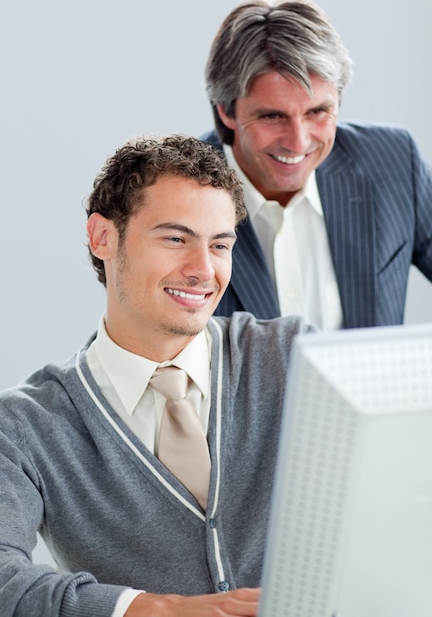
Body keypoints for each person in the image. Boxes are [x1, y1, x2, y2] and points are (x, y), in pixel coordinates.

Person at [0, 134, 315, 617]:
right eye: (175, 238)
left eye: (220, 244)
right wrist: (157, 610)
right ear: (103, 237)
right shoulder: (26, 426)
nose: (203, 270)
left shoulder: (293, 358)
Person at [202, 0, 432, 330]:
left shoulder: (394, 162)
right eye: (272, 116)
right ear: (226, 109)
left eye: (318, 112)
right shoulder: (175, 195)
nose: (299, 141)